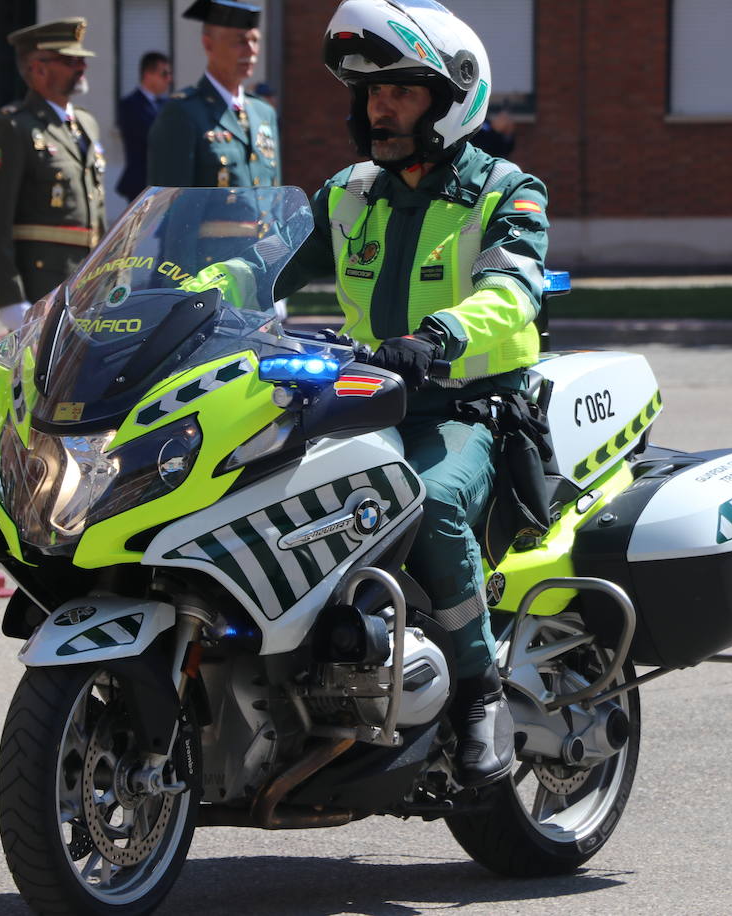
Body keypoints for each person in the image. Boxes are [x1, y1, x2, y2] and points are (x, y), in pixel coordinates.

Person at [276, 0, 550, 787]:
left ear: (451, 94)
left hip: (463, 409)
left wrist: (437, 340)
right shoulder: (348, 193)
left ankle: (477, 691)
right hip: (359, 401)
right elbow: (262, 268)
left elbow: (512, 295)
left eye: (398, 90)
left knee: (421, 502)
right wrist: (176, 290)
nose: (378, 108)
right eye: (369, 93)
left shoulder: (506, 190)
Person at [0, 18, 105, 332]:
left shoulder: (86, 124)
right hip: (41, 288)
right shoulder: (14, 128)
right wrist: (9, 296)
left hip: (87, 286)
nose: (81, 67)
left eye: (81, 60)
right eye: (69, 60)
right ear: (37, 68)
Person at [146, 0, 278, 191]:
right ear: (208, 44)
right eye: (240, 41)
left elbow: (275, 198)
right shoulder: (183, 112)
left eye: (255, 40)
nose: (251, 51)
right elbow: (170, 205)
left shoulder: (264, 113)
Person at [115, 50, 171, 203]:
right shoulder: (130, 105)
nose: (168, 79)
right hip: (141, 183)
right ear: (148, 74)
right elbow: (152, 137)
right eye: (164, 74)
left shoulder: (167, 105)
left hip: (165, 184)